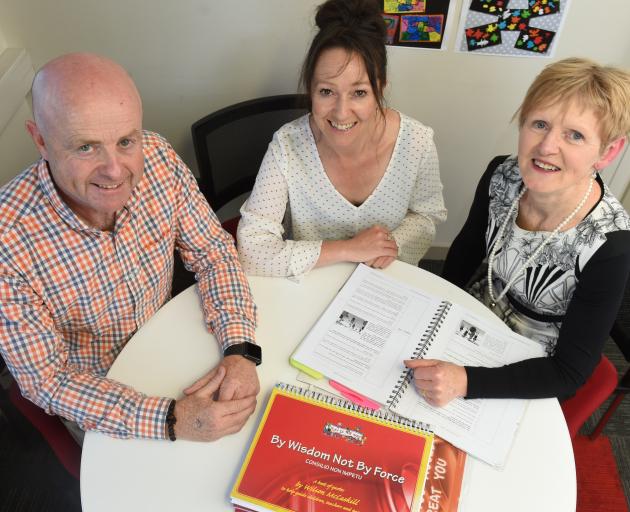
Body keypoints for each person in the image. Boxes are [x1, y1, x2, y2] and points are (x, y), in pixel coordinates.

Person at [0, 53, 261, 442]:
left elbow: (212, 251)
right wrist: (171, 420)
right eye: (86, 147)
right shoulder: (8, 241)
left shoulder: (157, 158)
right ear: (40, 139)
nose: (115, 170)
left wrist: (240, 347)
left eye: (126, 141)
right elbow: (47, 381)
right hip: (100, 397)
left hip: (176, 343)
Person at [406, 58, 630, 407]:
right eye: (540, 124)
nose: (546, 147)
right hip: (471, 320)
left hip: (532, 366)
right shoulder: (502, 174)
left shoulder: (610, 246)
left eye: (575, 135)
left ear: (607, 151)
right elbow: (465, 254)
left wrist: (464, 380)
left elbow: (570, 373)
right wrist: (436, 315)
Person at [237, 0, 446, 277]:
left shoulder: (417, 142)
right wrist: (350, 249)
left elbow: (427, 215)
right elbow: (252, 250)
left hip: (386, 283)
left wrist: (390, 244)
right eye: (326, 92)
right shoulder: (288, 146)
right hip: (308, 285)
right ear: (311, 89)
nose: (341, 112)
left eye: (359, 93)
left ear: (379, 88)